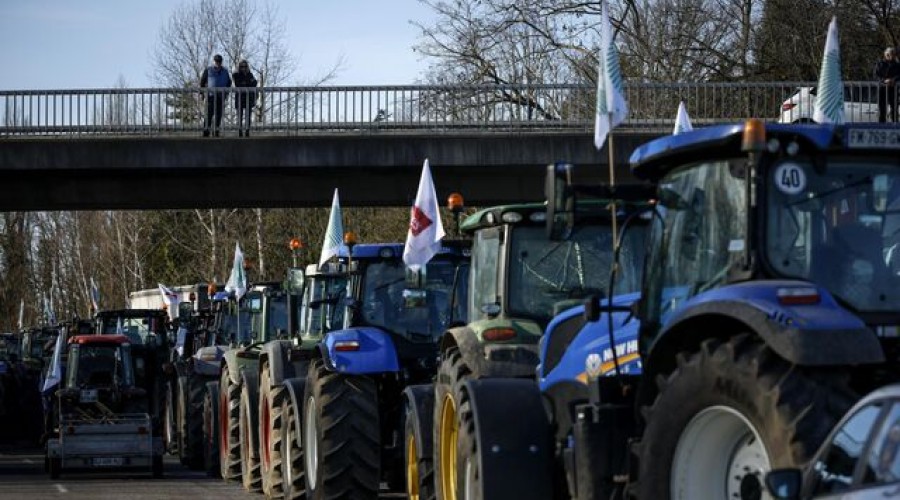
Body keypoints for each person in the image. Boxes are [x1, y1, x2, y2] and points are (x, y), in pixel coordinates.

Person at [200, 54, 232, 137]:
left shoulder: (225, 71)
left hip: (220, 96)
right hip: (211, 96)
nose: (218, 63)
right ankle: (206, 132)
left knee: (218, 114)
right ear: (214, 61)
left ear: (221, 62)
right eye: (216, 61)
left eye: (219, 61)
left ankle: (216, 132)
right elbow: (202, 82)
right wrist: (202, 93)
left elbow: (229, 82)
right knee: (208, 114)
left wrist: (226, 93)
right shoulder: (208, 70)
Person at [232, 60, 258, 137]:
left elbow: (255, 83)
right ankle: (240, 131)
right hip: (240, 98)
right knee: (239, 116)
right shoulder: (236, 75)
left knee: (248, 116)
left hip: (248, 98)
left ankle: (247, 131)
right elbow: (238, 84)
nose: (243, 68)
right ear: (239, 67)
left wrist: (246, 83)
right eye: (242, 66)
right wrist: (247, 83)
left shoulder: (250, 74)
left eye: (245, 66)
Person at [875, 47, 900, 123]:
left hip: (893, 89)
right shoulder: (879, 64)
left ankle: (895, 128)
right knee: (882, 110)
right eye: (888, 54)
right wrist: (884, 81)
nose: (890, 56)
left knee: (894, 109)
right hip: (882, 89)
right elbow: (876, 75)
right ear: (885, 55)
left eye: (892, 54)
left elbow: (899, 75)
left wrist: (893, 80)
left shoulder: (897, 65)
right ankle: (881, 128)